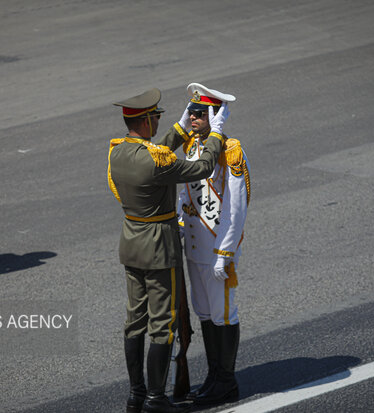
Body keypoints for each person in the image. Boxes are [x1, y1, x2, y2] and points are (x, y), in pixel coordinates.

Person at [108, 88, 229, 413]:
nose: (159, 120)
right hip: (159, 247)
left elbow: (155, 151)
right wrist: (216, 132)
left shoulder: (118, 152)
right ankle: (156, 399)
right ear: (146, 121)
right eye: (156, 117)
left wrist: (179, 128)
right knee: (163, 323)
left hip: (131, 242)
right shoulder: (156, 162)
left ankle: (137, 394)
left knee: (135, 321)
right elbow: (202, 167)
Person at [177, 83, 250, 405]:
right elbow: (185, 192)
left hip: (216, 247)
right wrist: (181, 224)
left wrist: (225, 252)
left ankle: (226, 381)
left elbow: (236, 207)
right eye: (191, 111)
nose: (192, 117)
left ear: (215, 116)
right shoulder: (193, 147)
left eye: (199, 112)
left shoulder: (229, 149)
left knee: (223, 313)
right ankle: (212, 375)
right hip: (194, 246)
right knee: (204, 313)